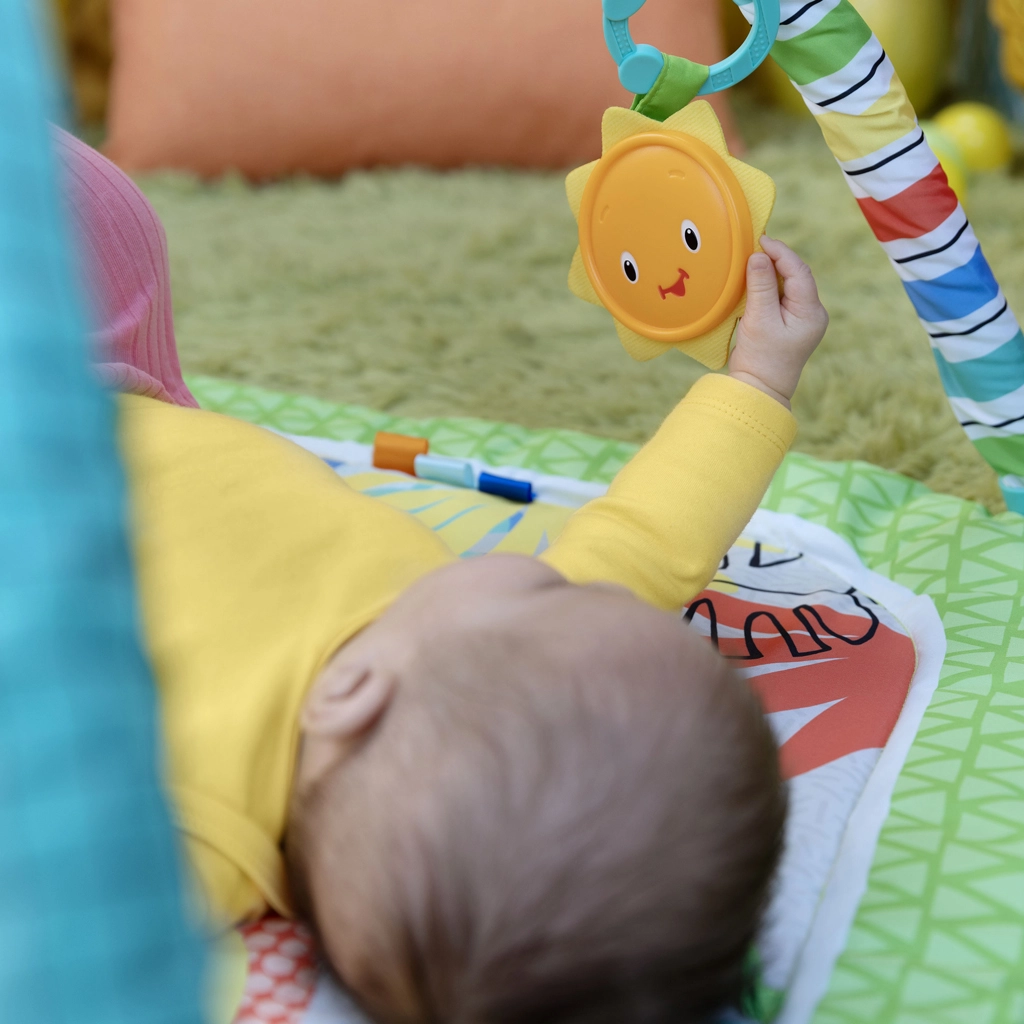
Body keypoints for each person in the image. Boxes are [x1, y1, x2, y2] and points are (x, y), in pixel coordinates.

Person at [59, 128, 829, 1024]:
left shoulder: (191, 834)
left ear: (353, 694)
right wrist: (756, 381)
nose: (552, 573)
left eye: (543, 587)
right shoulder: (445, 658)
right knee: (106, 219)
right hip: (101, 386)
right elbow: (645, 542)